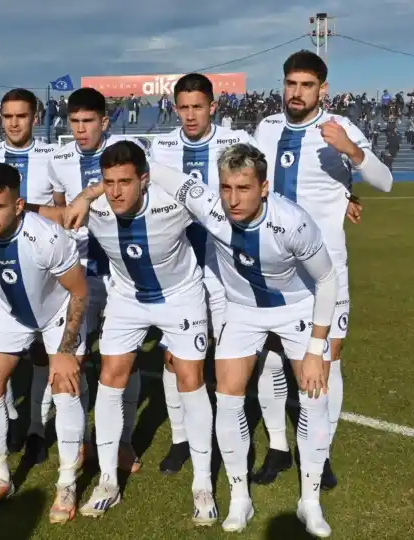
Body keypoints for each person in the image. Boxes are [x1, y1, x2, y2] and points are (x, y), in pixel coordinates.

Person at [146, 144, 338, 537]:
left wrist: (317, 350)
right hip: (243, 311)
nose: (233, 199)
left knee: (314, 396)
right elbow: (159, 172)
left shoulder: (293, 222)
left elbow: (326, 280)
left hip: (296, 307)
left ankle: (310, 503)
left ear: (264, 187)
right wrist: (93, 188)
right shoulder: (211, 206)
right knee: (228, 395)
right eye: (226, 187)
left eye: (244, 188)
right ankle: (240, 499)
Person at [252, 50, 393, 490]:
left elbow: (385, 180)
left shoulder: (341, 129)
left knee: (328, 360)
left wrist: (350, 152)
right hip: (273, 266)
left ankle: (321, 451)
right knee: (270, 359)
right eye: (291, 84)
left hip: (325, 271)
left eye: (306, 85)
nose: (296, 93)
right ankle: (277, 446)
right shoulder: (266, 128)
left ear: (322, 90)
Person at [65, 141, 216, 525]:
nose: (115, 191)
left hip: (181, 296)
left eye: (125, 182)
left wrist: (91, 190)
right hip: (128, 298)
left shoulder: (171, 200)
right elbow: (57, 214)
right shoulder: (97, 207)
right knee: (110, 377)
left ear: (144, 180)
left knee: (190, 379)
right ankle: (107, 482)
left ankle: (202, 486)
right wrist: (86, 195)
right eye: (108, 182)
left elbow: (215, 209)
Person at [0, 163, 89, 524]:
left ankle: (67, 482)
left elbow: (78, 293)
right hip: (11, 314)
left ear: (18, 205)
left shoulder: (48, 237)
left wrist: (63, 351)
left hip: (58, 311)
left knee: (65, 385)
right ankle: (1, 478)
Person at [149, 72, 258, 475]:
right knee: (174, 355)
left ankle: (231, 435)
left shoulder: (236, 142)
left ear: (213, 106)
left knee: (229, 354)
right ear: (175, 108)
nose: (190, 115)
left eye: (198, 106)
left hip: (224, 265)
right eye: (183, 107)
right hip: (178, 265)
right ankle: (182, 438)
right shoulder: (160, 146)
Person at [48, 87, 145, 474]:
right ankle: (86, 440)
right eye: (75, 121)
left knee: (123, 361)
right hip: (79, 275)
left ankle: (123, 441)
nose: (81, 129)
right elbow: (58, 210)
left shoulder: (127, 150)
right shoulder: (58, 159)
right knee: (79, 357)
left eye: (89, 121)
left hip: (122, 274)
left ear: (104, 122)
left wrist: (89, 195)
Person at [0, 87, 66, 463]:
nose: (14, 123)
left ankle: (35, 426)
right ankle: (11, 418)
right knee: (1, 351)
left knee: (43, 355)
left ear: (36, 118)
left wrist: (27, 212)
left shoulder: (52, 156)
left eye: (22, 116)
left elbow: (63, 214)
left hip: (43, 270)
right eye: (8, 116)